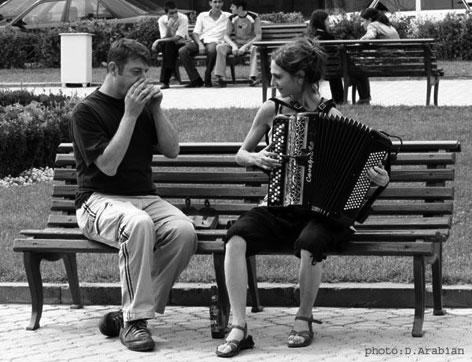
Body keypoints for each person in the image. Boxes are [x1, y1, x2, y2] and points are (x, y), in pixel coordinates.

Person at [215, 38, 390, 358]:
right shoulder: (271, 109)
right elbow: (241, 153)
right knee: (236, 237)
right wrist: (256, 158)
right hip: (279, 204)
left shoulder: (332, 114)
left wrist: (378, 178)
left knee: (310, 242)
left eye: (278, 76)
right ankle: (238, 326)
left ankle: (303, 318)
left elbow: (357, 171)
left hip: (320, 212)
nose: (273, 82)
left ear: (300, 78)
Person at [70, 38, 197, 352]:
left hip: (144, 198)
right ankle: (136, 323)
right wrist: (129, 114)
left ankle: (128, 315)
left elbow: (172, 150)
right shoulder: (87, 111)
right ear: (113, 69)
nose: (143, 79)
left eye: (146, 72)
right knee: (138, 224)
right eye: (136, 72)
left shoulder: (142, 106)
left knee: (184, 232)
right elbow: (108, 166)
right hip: (97, 200)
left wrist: (155, 110)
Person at [178, 0, 231, 87]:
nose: (217, 4)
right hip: (202, 40)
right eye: (215, 2)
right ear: (210, 3)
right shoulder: (203, 15)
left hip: (216, 41)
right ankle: (195, 79)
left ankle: (208, 75)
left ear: (223, 3)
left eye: (220, 2)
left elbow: (243, 16)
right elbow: (195, 33)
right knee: (182, 51)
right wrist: (200, 44)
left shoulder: (228, 16)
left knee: (212, 49)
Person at [353, 7, 400, 104]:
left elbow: (370, 36)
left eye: (363, 21)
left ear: (369, 20)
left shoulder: (373, 25)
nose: (362, 24)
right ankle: (364, 98)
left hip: (385, 64)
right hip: (398, 63)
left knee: (357, 68)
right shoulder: (390, 26)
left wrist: (358, 43)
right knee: (359, 66)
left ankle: (364, 99)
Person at [214, 0, 261, 87]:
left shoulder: (254, 17)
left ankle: (253, 77)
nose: (230, 8)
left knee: (255, 48)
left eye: (232, 7)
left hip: (249, 44)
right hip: (236, 44)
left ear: (240, 8)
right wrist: (234, 46)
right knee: (220, 47)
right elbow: (226, 36)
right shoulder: (232, 18)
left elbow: (258, 36)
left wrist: (245, 46)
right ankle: (220, 78)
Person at [306, 9, 344, 104]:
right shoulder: (327, 36)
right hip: (332, 68)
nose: (329, 22)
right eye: (327, 20)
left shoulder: (310, 35)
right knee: (336, 74)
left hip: (314, 68)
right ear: (321, 22)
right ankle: (339, 99)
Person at [151, 1, 189, 89]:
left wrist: (157, 41)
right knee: (168, 46)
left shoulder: (183, 18)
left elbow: (178, 38)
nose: (175, 15)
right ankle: (171, 75)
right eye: (171, 13)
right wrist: (168, 27)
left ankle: (165, 81)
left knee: (167, 47)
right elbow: (165, 37)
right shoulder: (161, 20)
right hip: (170, 45)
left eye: (176, 12)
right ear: (166, 13)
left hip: (182, 43)